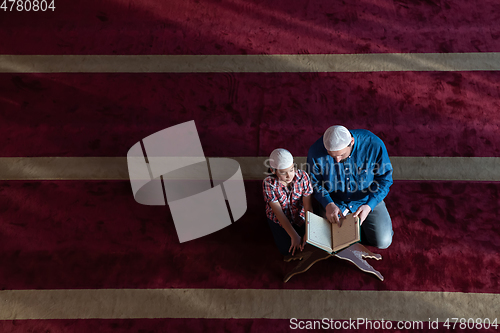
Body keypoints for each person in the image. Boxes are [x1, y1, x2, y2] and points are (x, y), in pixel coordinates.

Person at [307, 125, 393, 249]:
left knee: (383, 242)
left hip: (366, 198)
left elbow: (385, 179)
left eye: (341, 155)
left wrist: (370, 205)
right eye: (332, 156)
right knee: (326, 243)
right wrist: (328, 203)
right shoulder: (315, 150)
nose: (336, 161)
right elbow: (314, 182)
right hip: (334, 201)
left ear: (351, 142)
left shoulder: (373, 144)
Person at [263, 148, 313, 256]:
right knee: (288, 250)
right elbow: (279, 213)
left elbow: (308, 207)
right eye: (283, 172)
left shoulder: (303, 177)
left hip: (299, 215)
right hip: (279, 219)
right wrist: (294, 236)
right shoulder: (269, 183)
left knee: (310, 243)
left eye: (291, 170)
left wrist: (309, 231)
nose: (289, 175)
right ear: (273, 171)